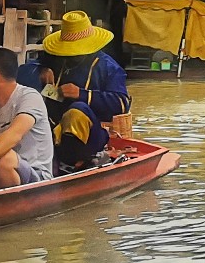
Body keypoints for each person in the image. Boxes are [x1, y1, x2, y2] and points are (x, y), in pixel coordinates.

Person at [26, 10, 129, 173]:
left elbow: (122, 104)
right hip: (51, 126)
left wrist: (81, 94)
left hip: (90, 135)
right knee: (29, 105)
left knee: (77, 111)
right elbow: (23, 71)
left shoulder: (109, 67)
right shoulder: (56, 58)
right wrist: (40, 71)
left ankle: (74, 161)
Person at [0, 46, 53, 192]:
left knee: (2, 159)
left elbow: (14, 134)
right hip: (0, 171)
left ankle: (9, 209)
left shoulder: (30, 97)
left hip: (36, 177)